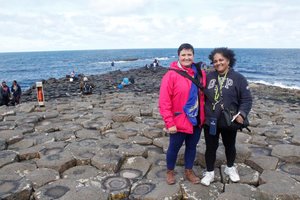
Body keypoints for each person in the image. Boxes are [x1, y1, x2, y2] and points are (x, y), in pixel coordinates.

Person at [200, 47, 252, 186]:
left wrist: (242, 113)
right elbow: (199, 94)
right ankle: (209, 172)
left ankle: (230, 168)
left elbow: (246, 99)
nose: (218, 63)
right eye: (215, 61)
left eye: (221, 60)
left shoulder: (238, 78)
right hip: (210, 120)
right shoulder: (208, 76)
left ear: (228, 60)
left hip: (229, 120)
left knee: (230, 146)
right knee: (211, 147)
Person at [159, 43, 207, 185]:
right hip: (179, 120)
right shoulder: (171, 75)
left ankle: (189, 171)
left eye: (189, 54)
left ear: (193, 56)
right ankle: (169, 171)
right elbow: (164, 102)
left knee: (192, 147)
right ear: (178, 56)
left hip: (197, 119)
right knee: (174, 147)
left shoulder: (200, 73)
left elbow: (204, 96)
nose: (186, 58)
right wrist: (169, 122)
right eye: (183, 55)